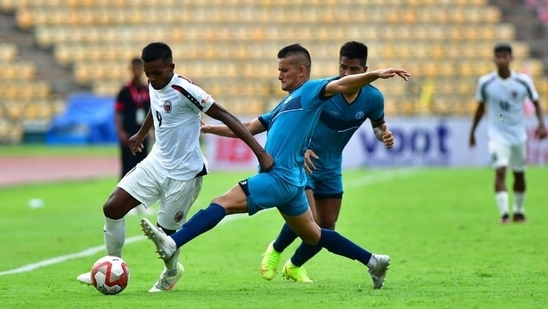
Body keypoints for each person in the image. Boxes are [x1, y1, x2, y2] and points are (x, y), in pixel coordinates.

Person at [140, 43, 409, 290]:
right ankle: (374, 262)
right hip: (293, 183)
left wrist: (376, 74)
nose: (279, 75)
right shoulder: (285, 103)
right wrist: (210, 128)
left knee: (221, 202)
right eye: (278, 70)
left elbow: (342, 84)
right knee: (315, 235)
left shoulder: (312, 90)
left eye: (284, 70)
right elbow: (248, 128)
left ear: (301, 71)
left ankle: (173, 242)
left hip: (279, 178)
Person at [76, 42, 273, 292]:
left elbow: (228, 117)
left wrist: (260, 153)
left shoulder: (186, 89)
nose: (152, 79)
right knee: (112, 207)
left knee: (165, 238)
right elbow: (156, 105)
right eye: (148, 74)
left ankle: (171, 273)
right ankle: (111, 266)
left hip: (185, 175)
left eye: (157, 73)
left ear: (171, 67)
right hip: (156, 163)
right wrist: (141, 133)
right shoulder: (153, 81)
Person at [201, 41, 394, 282]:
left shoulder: (373, 98)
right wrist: (302, 149)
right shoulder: (325, 90)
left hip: (331, 166)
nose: (346, 73)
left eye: (354, 69)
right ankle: (276, 250)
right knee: (309, 220)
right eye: (343, 67)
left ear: (364, 68)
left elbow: (378, 125)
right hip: (302, 164)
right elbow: (294, 122)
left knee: (326, 227)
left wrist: (382, 134)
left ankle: (294, 265)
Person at [469, 42, 546, 224]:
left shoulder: (523, 81)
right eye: (498, 56)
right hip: (497, 134)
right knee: (500, 171)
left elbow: (536, 102)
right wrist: (472, 131)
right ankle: (504, 214)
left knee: (519, 174)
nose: (501, 60)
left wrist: (542, 124)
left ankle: (519, 211)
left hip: (518, 134)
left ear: (511, 58)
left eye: (505, 56)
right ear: (494, 59)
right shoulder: (486, 82)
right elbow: (480, 108)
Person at [114, 58, 151, 215]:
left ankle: (140, 202)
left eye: (139, 68)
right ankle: (124, 204)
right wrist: (121, 132)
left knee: (142, 167)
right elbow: (117, 113)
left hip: (142, 134)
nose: (137, 71)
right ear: (131, 69)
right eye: (135, 68)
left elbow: (152, 112)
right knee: (127, 167)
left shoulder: (147, 89)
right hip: (129, 134)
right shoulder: (124, 91)